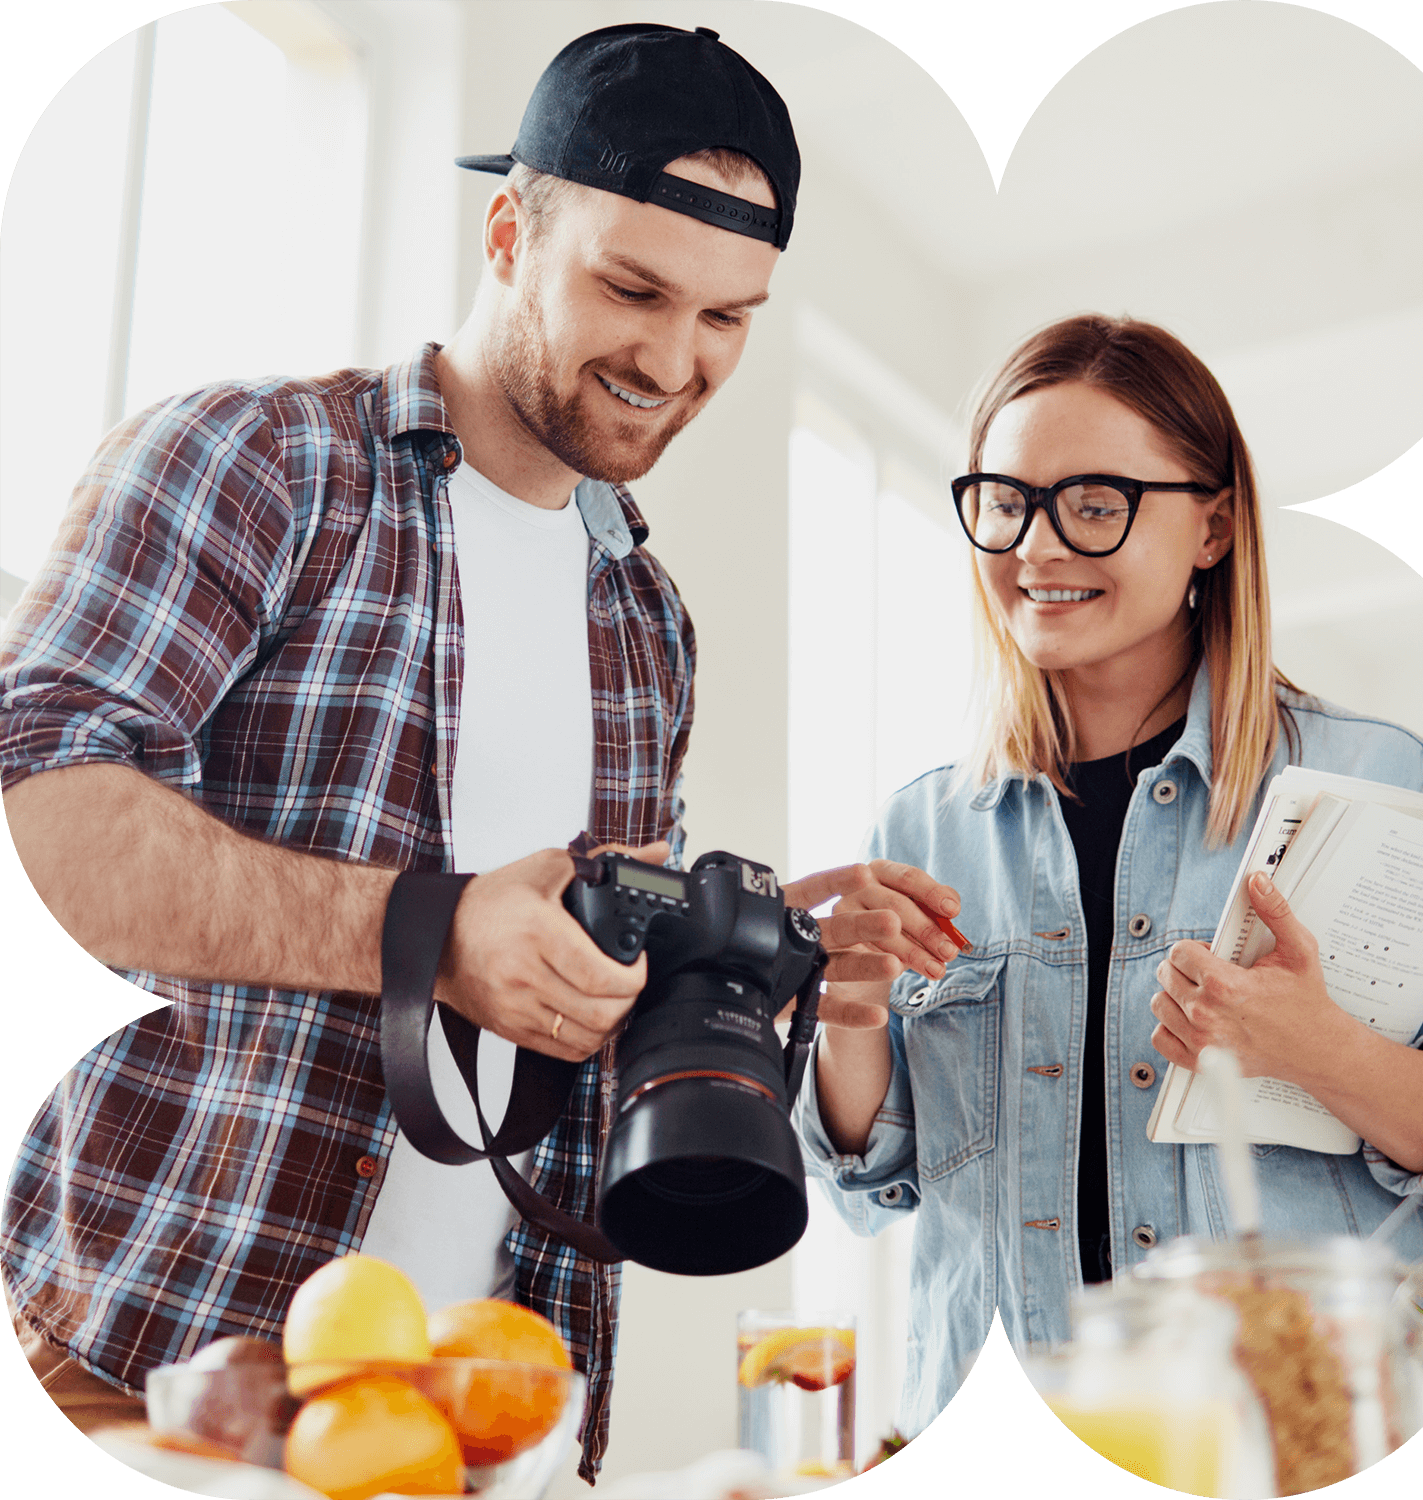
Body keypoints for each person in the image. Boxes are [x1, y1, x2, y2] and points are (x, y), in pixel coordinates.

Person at [0, 24, 955, 1482]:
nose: (675, 359)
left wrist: (751, 961)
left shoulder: (650, 618)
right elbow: (36, 800)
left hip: (489, 1420)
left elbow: (563, 992)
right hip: (156, 1372)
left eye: (729, 318)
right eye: (632, 289)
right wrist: (424, 933)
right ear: (510, 229)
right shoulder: (257, 462)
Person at [793, 313, 1423, 1439]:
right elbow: (874, 1187)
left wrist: (1323, 1053)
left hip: (1301, 1435)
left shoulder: (1395, 787)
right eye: (1004, 500)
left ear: (1213, 526)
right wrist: (852, 1015)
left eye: (1093, 503)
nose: (1035, 548)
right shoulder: (923, 824)